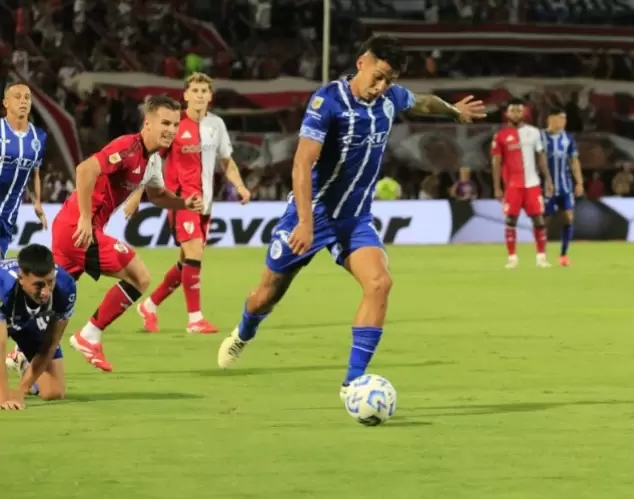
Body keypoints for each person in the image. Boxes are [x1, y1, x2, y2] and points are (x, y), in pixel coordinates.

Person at [216, 35, 485, 400]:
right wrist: (306, 222)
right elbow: (302, 161)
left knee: (380, 283)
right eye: (378, 76)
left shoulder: (390, 96)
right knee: (266, 296)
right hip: (312, 215)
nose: (382, 86)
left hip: (355, 219)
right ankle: (244, 332)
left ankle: (352, 385)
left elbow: (421, 101)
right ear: (361, 62)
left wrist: (453, 110)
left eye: (389, 80)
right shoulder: (328, 101)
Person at [50, 95, 204, 373]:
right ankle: (89, 336)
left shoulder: (153, 160)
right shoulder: (127, 146)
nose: (171, 129)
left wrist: (184, 203)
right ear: (148, 122)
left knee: (55, 299)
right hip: (78, 228)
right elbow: (85, 169)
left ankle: (23, 353)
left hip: (73, 229)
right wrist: (85, 218)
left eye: (175, 124)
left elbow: (157, 196)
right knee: (140, 276)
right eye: (165, 123)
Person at [127, 73, 251, 334]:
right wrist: (137, 195)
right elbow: (148, 158)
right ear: (185, 95)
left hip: (206, 203)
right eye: (194, 90)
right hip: (181, 201)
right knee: (195, 253)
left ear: (210, 96)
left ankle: (149, 305)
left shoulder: (216, 125)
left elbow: (226, 161)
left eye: (204, 90)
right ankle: (195, 319)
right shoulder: (174, 124)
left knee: (187, 262)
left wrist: (239, 186)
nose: (199, 95)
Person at [1, 244, 75, 410]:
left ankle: (20, 358)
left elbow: (50, 343)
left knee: (53, 392)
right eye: (39, 285)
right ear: (21, 278)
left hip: (29, 323)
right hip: (4, 319)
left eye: (50, 282)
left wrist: (20, 391)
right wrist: (5, 398)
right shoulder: (2, 286)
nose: (46, 291)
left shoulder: (66, 286)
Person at [491, 98, 553, 269]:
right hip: (513, 186)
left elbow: (541, 157)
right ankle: (512, 258)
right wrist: (497, 187)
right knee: (511, 220)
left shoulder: (534, 132)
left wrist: (548, 179)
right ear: (507, 113)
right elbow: (496, 162)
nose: (516, 114)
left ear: (524, 112)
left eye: (519, 110)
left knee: (539, 221)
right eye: (513, 110)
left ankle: (541, 258)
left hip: (532, 184)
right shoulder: (500, 136)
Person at [0, 83, 48, 257]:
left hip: (8, 215)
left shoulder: (39, 137)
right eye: (17, 97)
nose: (23, 101)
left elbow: (34, 172)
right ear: (6, 103)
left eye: (27, 97)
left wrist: (37, 202)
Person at [543, 108, 583, 267]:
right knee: (544, 220)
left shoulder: (568, 138)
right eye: (560, 118)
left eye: (564, 119)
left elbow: (574, 161)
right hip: (545, 186)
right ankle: (542, 253)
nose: (563, 122)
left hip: (565, 186)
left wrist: (579, 181)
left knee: (568, 217)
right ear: (551, 119)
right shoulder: (540, 137)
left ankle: (564, 254)